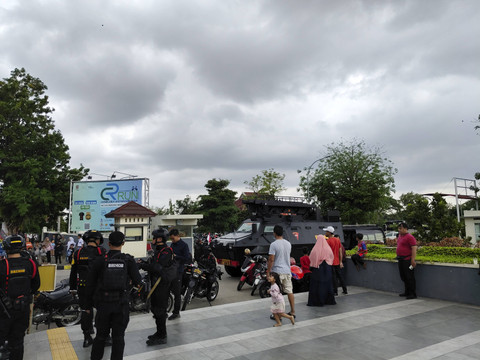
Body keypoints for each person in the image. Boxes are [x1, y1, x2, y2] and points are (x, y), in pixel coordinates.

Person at [87, 231, 142, 360]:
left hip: (104, 304)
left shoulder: (100, 260)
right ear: (123, 243)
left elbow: (90, 283)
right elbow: (138, 281)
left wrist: (89, 304)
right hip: (121, 304)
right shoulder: (128, 260)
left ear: (109, 243)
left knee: (100, 336)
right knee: (118, 338)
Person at [0, 235, 41, 360]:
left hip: (3, 312)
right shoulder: (31, 264)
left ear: (6, 248)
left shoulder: (2, 265)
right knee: (18, 342)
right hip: (22, 309)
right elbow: (36, 285)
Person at [137, 228, 176, 346]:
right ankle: (159, 332)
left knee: (160, 310)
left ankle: (162, 335)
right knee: (155, 309)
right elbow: (152, 263)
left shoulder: (166, 251)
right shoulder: (158, 250)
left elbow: (157, 267)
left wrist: (143, 265)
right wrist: (143, 262)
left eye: (154, 238)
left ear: (159, 239)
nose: (152, 240)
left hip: (161, 285)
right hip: (155, 284)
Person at [69, 230, 107, 347]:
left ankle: (87, 337)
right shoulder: (102, 251)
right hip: (98, 288)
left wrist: (72, 288)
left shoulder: (78, 253)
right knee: (102, 311)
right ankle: (105, 337)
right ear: (98, 240)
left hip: (83, 287)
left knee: (86, 311)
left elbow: (73, 272)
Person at [267, 225, 295, 319]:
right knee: (289, 291)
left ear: (274, 233)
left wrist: (268, 272)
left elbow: (271, 259)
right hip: (287, 271)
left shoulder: (273, 245)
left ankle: (278, 314)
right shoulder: (288, 244)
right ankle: (293, 311)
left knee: (277, 294)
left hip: (277, 272)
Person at [168, 229, 191, 320]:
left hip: (178, 271)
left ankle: (176, 312)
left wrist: (177, 256)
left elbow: (187, 258)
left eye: (173, 238)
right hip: (170, 270)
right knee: (167, 290)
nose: (172, 240)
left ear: (177, 236)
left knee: (177, 293)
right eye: (171, 239)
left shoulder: (184, 245)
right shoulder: (172, 244)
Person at [307, 234, 336, 306]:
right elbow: (331, 257)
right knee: (328, 284)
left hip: (317, 270)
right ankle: (328, 300)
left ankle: (318, 301)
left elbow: (311, 259)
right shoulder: (328, 249)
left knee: (317, 286)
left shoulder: (315, 249)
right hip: (327, 269)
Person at [396, 222, 417, 299]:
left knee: (409, 277)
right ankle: (407, 291)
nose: (399, 230)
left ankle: (412, 293)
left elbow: (414, 248)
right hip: (401, 259)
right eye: (399, 228)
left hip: (407, 260)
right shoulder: (400, 236)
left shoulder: (410, 237)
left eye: (400, 228)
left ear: (405, 229)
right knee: (403, 276)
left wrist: (413, 260)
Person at [324, 226, 347, 295]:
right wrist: (340, 262)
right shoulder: (337, 240)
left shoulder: (328, 241)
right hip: (337, 262)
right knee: (340, 276)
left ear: (329, 233)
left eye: (326, 231)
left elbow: (327, 253)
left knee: (333, 277)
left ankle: (335, 291)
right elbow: (340, 252)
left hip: (331, 262)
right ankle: (345, 290)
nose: (325, 233)